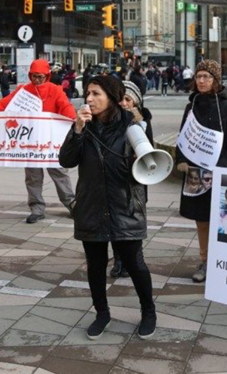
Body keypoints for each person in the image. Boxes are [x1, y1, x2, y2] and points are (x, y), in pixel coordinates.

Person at [59, 75, 157, 340]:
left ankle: (148, 311)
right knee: (95, 264)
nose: (89, 99)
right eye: (87, 94)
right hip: (91, 205)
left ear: (112, 97)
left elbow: (150, 162)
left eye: (95, 94)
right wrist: (77, 130)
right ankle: (102, 313)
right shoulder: (84, 126)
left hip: (125, 205)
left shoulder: (131, 125)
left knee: (135, 264)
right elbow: (66, 160)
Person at [0, 59, 76, 223]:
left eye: (40, 77)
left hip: (51, 143)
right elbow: (2, 105)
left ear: (47, 76)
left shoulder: (55, 90)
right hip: (30, 144)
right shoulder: (23, 91)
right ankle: (36, 208)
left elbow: (65, 107)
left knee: (60, 174)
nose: (37, 80)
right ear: (30, 75)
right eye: (34, 76)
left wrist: (74, 119)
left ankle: (72, 205)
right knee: (33, 177)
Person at [175, 60, 227, 283]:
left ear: (216, 80)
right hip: (196, 175)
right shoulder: (191, 105)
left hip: (221, 173)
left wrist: (223, 164)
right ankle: (205, 261)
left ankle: (225, 261)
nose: (202, 81)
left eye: (207, 76)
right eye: (199, 76)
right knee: (202, 221)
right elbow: (183, 137)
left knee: (225, 219)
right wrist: (181, 160)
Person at [110, 80, 154, 279]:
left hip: (136, 182)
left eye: (128, 99)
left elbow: (150, 151)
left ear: (136, 103)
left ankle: (134, 259)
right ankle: (118, 260)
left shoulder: (143, 121)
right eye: (121, 99)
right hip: (116, 179)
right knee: (114, 222)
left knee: (133, 222)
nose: (124, 103)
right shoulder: (112, 119)